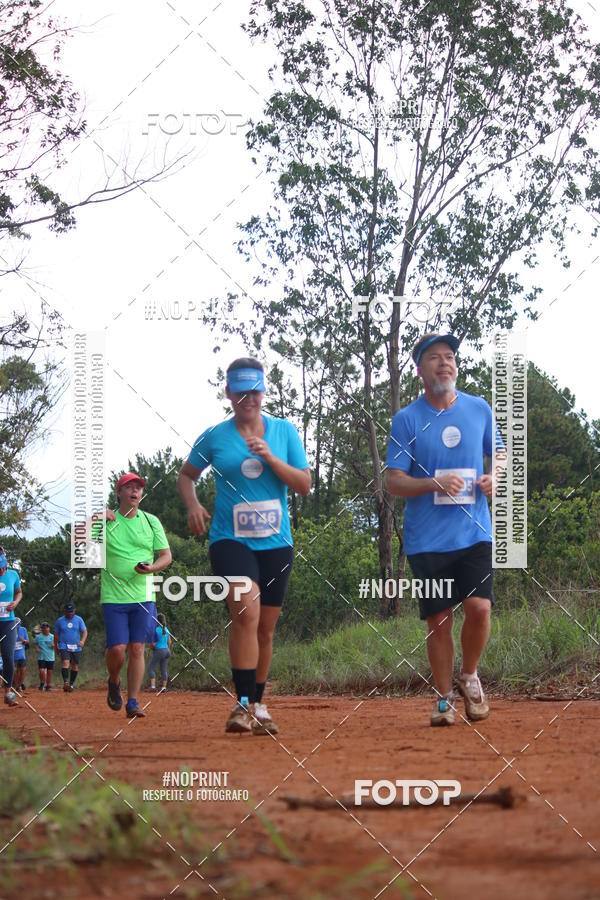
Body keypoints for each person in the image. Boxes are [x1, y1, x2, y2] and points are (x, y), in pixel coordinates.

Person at [177, 357, 311, 735]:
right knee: (245, 612)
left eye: (254, 390)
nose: (248, 398)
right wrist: (193, 505)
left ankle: (257, 704)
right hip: (230, 540)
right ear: (228, 392)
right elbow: (186, 476)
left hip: (276, 544)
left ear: (264, 391)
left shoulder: (284, 432)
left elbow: (303, 484)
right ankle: (240, 706)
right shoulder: (215, 436)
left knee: (265, 628)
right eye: (240, 391)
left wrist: (270, 457)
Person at [385, 333, 504, 727]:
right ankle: (443, 698)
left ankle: (469, 676)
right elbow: (394, 481)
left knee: (479, 608)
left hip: (474, 532)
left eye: (449, 357)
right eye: (434, 358)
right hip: (427, 539)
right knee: (439, 622)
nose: (444, 363)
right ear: (420, 371)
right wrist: (433, 484)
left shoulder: (478, 409)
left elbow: (499, 453)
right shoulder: (407, 420)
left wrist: (494, 478)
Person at [98, 472, 172, 719]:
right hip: (114, 597)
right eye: (129, 487)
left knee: (138, 648)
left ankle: (132, 701)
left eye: (138, 488)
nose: (135, 491)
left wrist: (152, 568)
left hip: (143, 595)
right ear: (118, 493)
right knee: (118, 649)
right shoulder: (107, 521)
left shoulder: (151, 522)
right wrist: (96, 517)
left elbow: (166, 556)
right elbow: (78, 547)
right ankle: (114, 680)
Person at [0, 546, 21, 707]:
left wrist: (15, 602)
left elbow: (19, 592)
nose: (1, 571)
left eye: (3, 568)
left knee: (8, 656)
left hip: (8, 621)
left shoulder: (13, 575)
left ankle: (8, 692)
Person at [54, 603, 87, 692]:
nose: (70, 614)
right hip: (64, 645)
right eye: (68, 612)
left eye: (71, 612)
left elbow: (84, 631)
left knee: (75, 666)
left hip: (76, 646)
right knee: (65, 663)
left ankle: (71, 684)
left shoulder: (79, 619)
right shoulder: (60, 621)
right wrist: (56, 647)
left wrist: (82, 641)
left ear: (74, 611)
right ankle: (66, 682)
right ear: (65, 611)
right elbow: (56, 635)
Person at [148, 613, 171, 692]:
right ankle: (164, 687)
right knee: (164, 670)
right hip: (167, 651)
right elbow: (169, 642)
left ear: (156, 621)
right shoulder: (166, 630)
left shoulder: (155, 630)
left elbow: (153, 644)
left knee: (150, 668)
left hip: (159, 650)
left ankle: (153, 687)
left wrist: (152, 649)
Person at [35, 622, 55, 691]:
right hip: (41, 657)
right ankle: (42, 682)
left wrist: (54, 646)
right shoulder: (38, 637)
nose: (45, 629)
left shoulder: (52, 637)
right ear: (42, 629)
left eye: (46, 628)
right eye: (43, 628)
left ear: (49, 629)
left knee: (49, 672)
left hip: (50, 657)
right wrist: (36, 648)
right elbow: (35, 643)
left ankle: (48, 685)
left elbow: (57, 644)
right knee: (41, 671)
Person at [12, 618, 29, 691]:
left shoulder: (23, 629)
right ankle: (15, 685)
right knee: (14, 671)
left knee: (22, 670)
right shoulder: (10, 630)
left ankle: (20, 684)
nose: (17, 627)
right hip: (13, 655)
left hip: (21, 654)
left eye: (18, 625)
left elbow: (27, 641)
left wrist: (24, 641)